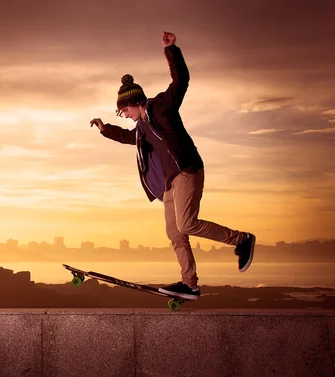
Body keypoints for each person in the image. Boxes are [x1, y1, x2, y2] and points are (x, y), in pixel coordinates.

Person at [89, 31, 256, 301]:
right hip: (169, 184)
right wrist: (104, 128)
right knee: (175, 232)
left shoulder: (162, 107)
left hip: (187, 171)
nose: (126, 116)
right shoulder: (141, 129)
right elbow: (126, 137)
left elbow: (181, 81)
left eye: (125, 111)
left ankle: (240, 239)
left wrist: (172, 50)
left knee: (187, 223)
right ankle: (189, 284)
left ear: (135, 103)